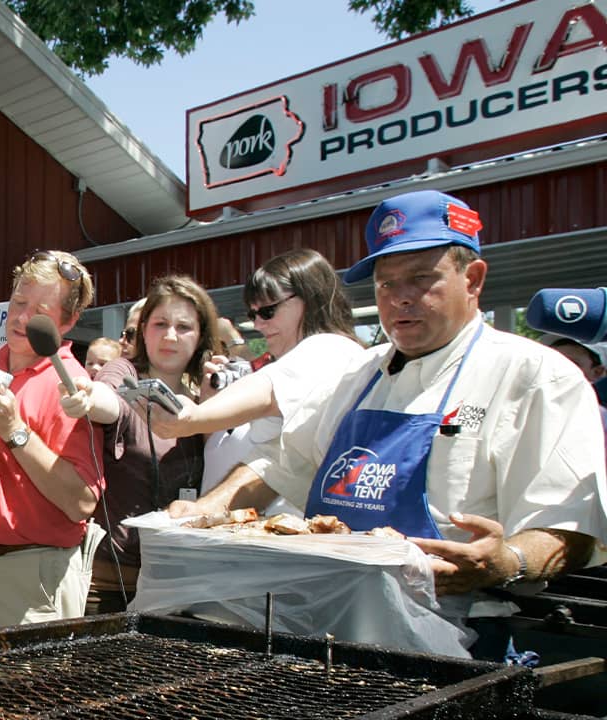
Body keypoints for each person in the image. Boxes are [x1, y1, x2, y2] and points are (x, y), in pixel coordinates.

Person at [170, 190, 607, 654]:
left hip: (456, 637)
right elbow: (281, 463)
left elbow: (570, 527)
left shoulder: (536, 377)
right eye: (385, 285)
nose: (400, 299)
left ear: (473, 280)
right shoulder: (357, 374)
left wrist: (508, 559)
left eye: (422, 280)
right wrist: (208, 508)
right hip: (330, 620)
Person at [0, 250, 105, 631]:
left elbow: (81, 503)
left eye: (39, 310)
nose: (22, 318)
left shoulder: (72, 387)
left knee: (25, 694)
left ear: (68, 321)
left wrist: (15, 431)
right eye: (19, 302)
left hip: (32, 576)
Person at [59, 274, 216, 613]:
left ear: (202, 335)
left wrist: (211, 409)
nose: (170, 336)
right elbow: (110, 398)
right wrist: (88, 396)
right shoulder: (123, 370)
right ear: (143, 331)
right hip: (107, 587)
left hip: (178, 587)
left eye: (184, 326)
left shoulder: (207, 400)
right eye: (160, 324)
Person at [162, 249, 366, 503]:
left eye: (268, 311)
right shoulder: (288, 362)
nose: (258, 324)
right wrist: (211, 406)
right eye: (252, 314)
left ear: (310, 299)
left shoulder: (332, 348)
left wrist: (195, 416)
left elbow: (267, 392)